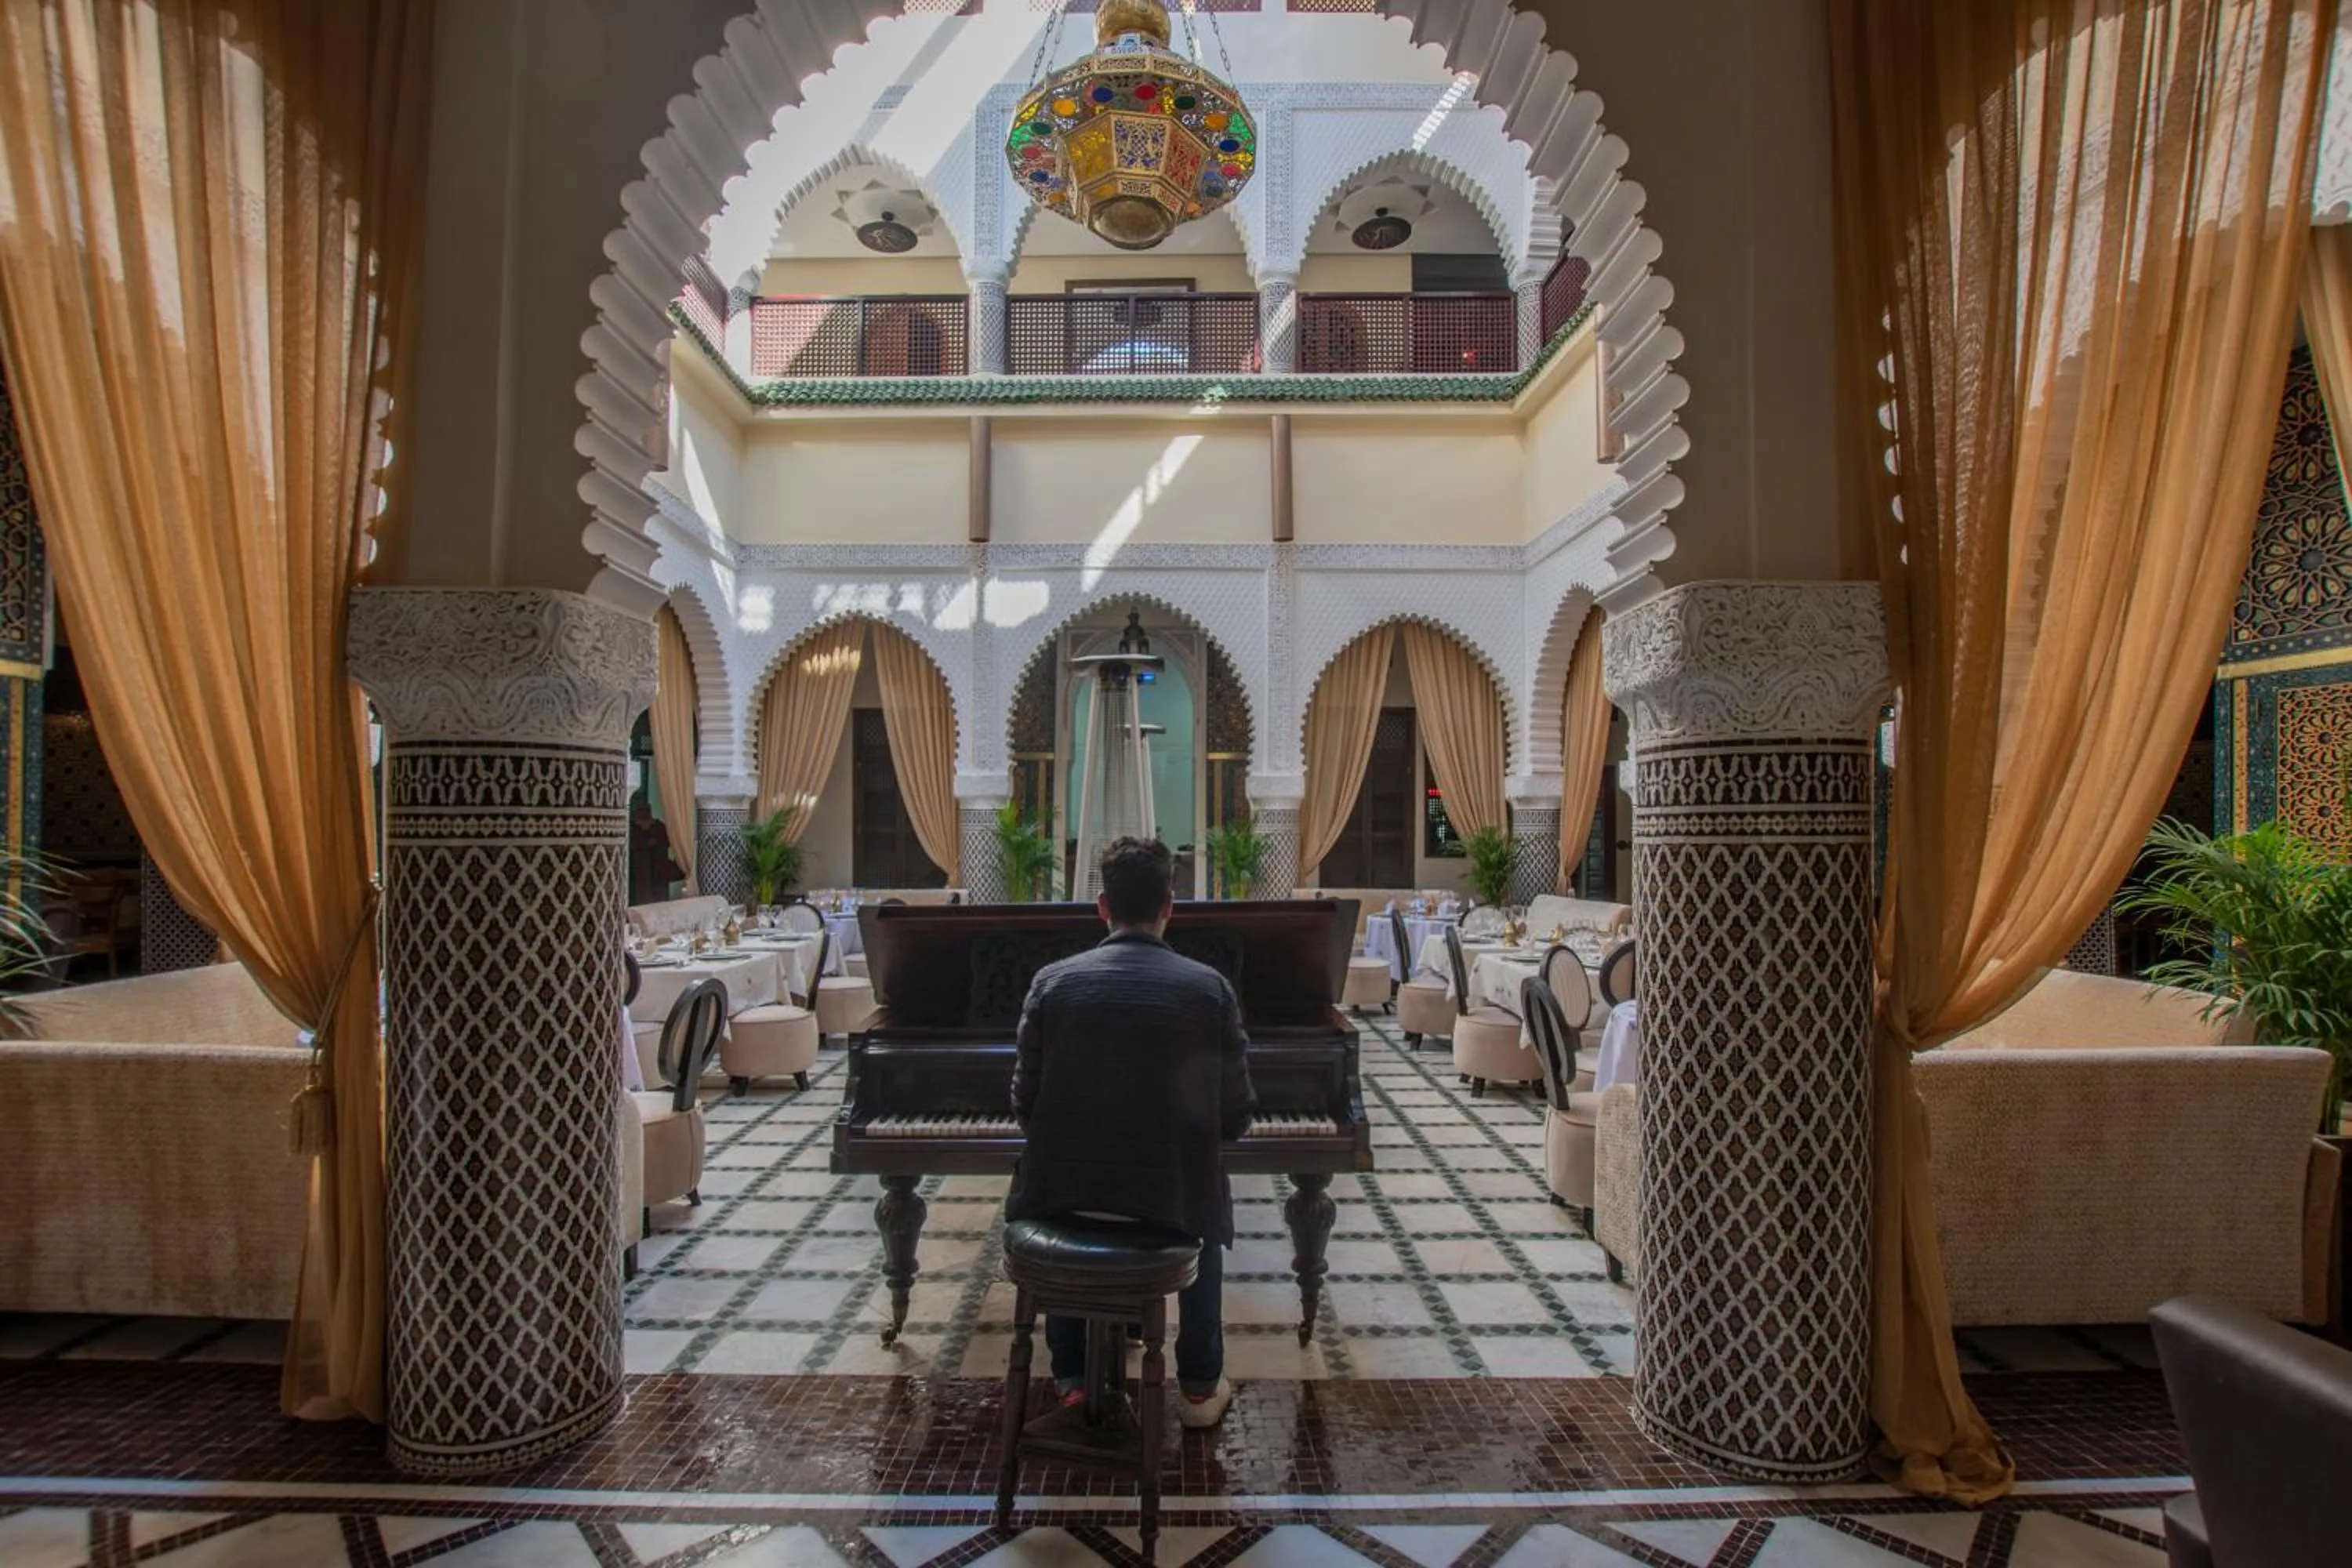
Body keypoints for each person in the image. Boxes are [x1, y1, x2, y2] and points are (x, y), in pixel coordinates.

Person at [1006, 836, 1255, 1428]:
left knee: (1061, 1184)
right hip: (1169, 1210)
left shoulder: (1051, 983)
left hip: (1066, 1203)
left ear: (1101, 905)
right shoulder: (1210, 989)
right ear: (1171, 905)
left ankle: (1072, 1378)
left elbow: (1025, 1107)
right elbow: (1236, 1117)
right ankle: (1198, 1388)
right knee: (1202, 1192)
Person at [627, 792, 685, 905]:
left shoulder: (659, 826)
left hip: (659, 869)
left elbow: (667, 842)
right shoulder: (633, 828)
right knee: (642, 897)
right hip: (639, 869)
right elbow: (631, 845)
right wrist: (646, 844)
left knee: (659, 898)